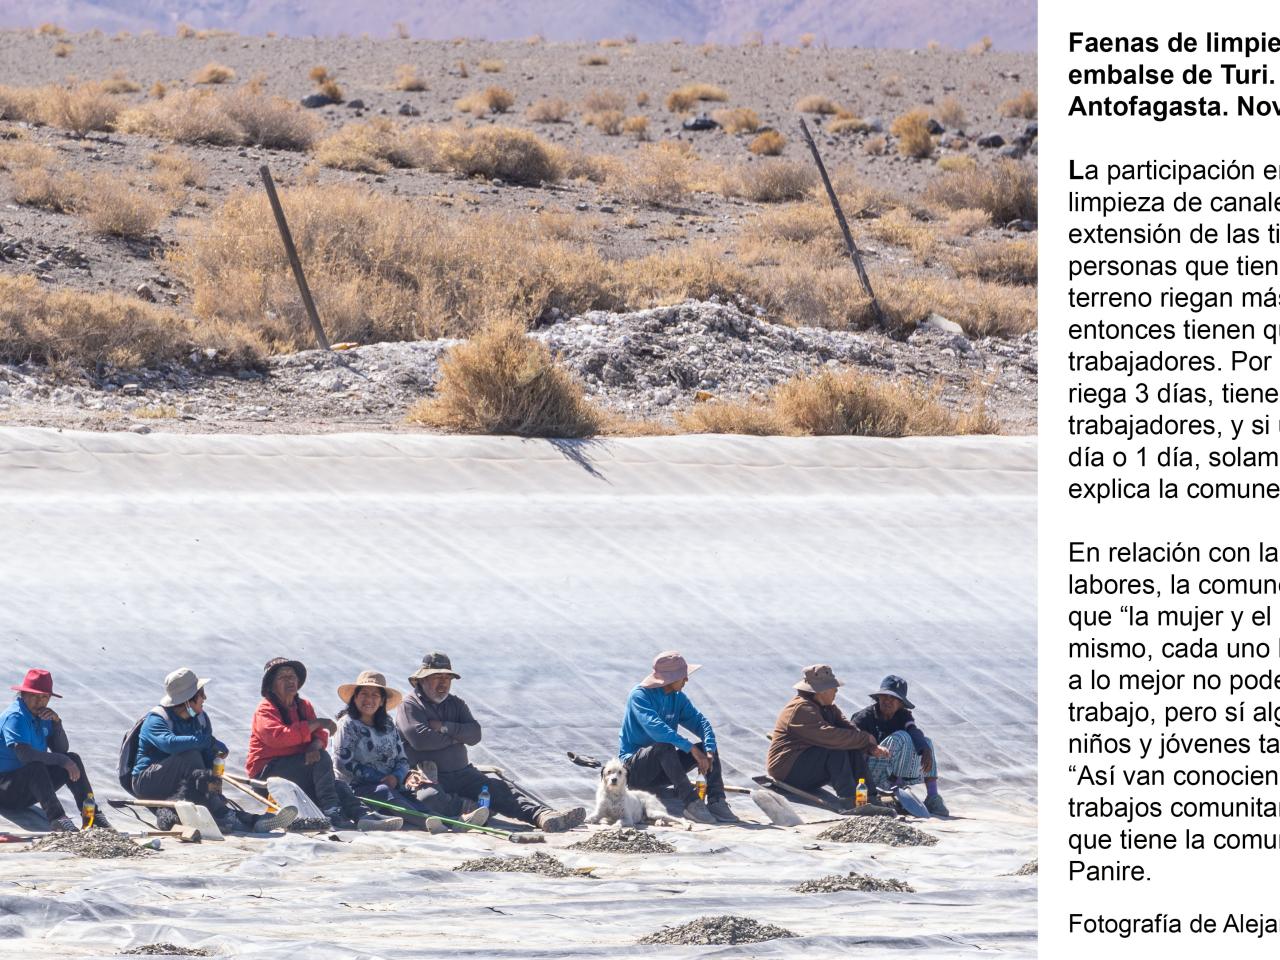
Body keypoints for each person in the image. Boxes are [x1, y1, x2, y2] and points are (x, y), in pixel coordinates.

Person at [395, 652, 585, 833]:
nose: (443, 683)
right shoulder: (410, 706)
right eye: (437, 677)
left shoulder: (456, 704)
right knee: (429, 799)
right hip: (429, 776)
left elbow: (475, 735)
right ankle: (470, 808)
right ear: (421, 680)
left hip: (463, 773)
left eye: (447, 678)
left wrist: (445, 727)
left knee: (497, 788)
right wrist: (457, 738)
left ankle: (542, 816)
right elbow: (421, 740)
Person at [132, 668, 296, 834]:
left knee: (206, 763)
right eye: (201, 694)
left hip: (182, 783)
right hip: (148, 782)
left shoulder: (200, 719)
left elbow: (205, 755)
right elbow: (169, 744)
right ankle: (222, 814)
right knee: (190, 755)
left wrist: (215, 756)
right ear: (188, 700)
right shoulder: (157, 719)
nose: (205, 698)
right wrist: (209, 742)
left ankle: (250, 820)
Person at [246, 657, 401, 832]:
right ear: (271, 684)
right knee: (322, 759)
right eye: (283, 677)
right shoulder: (265, 709)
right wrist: (318, 724)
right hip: (268, 774)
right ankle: (331, 811)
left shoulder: (303, 706)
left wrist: (314, 744)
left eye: (293, 676)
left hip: (300, 770)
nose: (290, 680)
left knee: (338, 785)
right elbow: (278, 738)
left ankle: (362, 816)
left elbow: (319, 735)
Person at [333, 669, 487, 831]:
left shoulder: (387, 724)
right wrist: (383, 778)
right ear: (355, 697)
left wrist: (399, 776)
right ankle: (439, 823)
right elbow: (343, 764)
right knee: (387, 793)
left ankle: (451, 821)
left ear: (382, 701)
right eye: (364, 694)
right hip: (357, 788)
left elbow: (401, 758)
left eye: (375, 695)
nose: (369, 700)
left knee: (418, 796)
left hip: (393, 783)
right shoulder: (347, 724)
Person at [618, 651, 737, 824]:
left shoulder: (678, 698)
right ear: (671, 678)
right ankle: (692, 803)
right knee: (664, 745)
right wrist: (690, 748)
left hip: (665, 768)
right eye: (683, 676)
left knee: (705, 748)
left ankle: (716, 800)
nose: (686, 680)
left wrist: (708, 749)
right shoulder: (639, 696)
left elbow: (701, 722)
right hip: (635, 771)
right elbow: (657, 729)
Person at [765, 664, 892, 813]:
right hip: (787, 771)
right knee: (836, 750)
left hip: (808, 767)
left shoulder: (828, 707)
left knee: (852, 746)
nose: (836, 690)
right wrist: (864, 738)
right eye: (833, 688)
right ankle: (850, 800)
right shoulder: (800, 708)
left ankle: (869, 797)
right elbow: (829, 736)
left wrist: (870, 746)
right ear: (821, 691)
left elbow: (849, 729)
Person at [0, 669, 109, 832]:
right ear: (23, 694)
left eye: (44, 697)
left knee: (73, 759)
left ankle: (91, 815)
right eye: (34, 696)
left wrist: (57, 723)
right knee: (36, 767)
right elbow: (25, 755)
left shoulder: (45, 716)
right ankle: (58, 818)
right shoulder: (16, 717)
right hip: (5, 790)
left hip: (26, 788)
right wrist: (62, 760)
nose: (40, 702)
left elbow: (62, 749)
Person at [852, 674, 949, 815]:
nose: (888, 701)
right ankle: (890, 787)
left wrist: (925, 749)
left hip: (889, 770)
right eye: (885, 697)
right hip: (866, 773)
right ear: (878, 698)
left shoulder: (903, 716)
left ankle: (932, 796)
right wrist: (871, 748)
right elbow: (852, 743)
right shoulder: (863, 718)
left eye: (894, 698)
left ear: (901, 703)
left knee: (925, 742)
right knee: (900, 736)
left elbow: (913, 731)